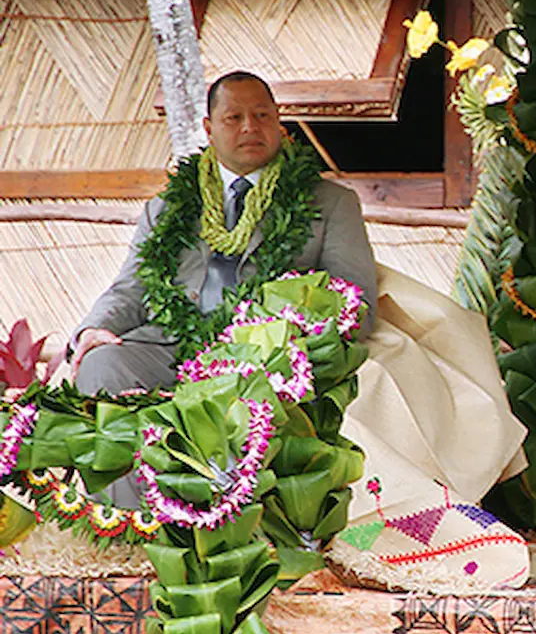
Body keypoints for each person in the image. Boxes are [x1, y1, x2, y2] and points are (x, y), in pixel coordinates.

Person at [69, 71, 378, 395]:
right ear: (209, 129)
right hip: (171, 347)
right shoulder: (166, 207)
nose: (250, 126)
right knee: (100, 364)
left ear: (278, 121)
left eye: (261, 115)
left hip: (268, 357)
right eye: (234, 117)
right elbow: (131, 288)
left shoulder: (331, 203)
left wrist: (285, 335)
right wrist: (95, 327)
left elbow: (357, 304)